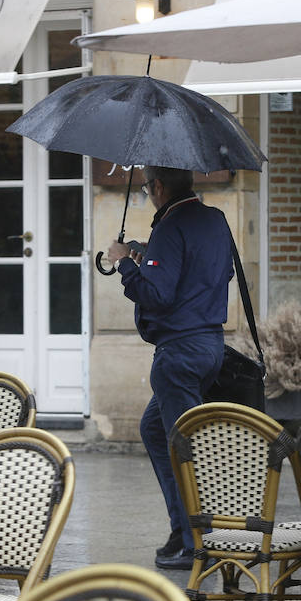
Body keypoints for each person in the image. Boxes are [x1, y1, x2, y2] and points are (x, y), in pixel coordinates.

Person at [108, 165, 233, 570]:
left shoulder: (172, 224)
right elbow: (214, 271)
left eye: (147, 187)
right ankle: (184, 528)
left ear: (159, 186)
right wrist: (151, 254)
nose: (147, 193)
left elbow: (156, 294)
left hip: (178, 354)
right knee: (153, 428)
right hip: (212, 346)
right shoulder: (214, 219)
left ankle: (196, 541)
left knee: (182, 446)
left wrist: (125, 261)